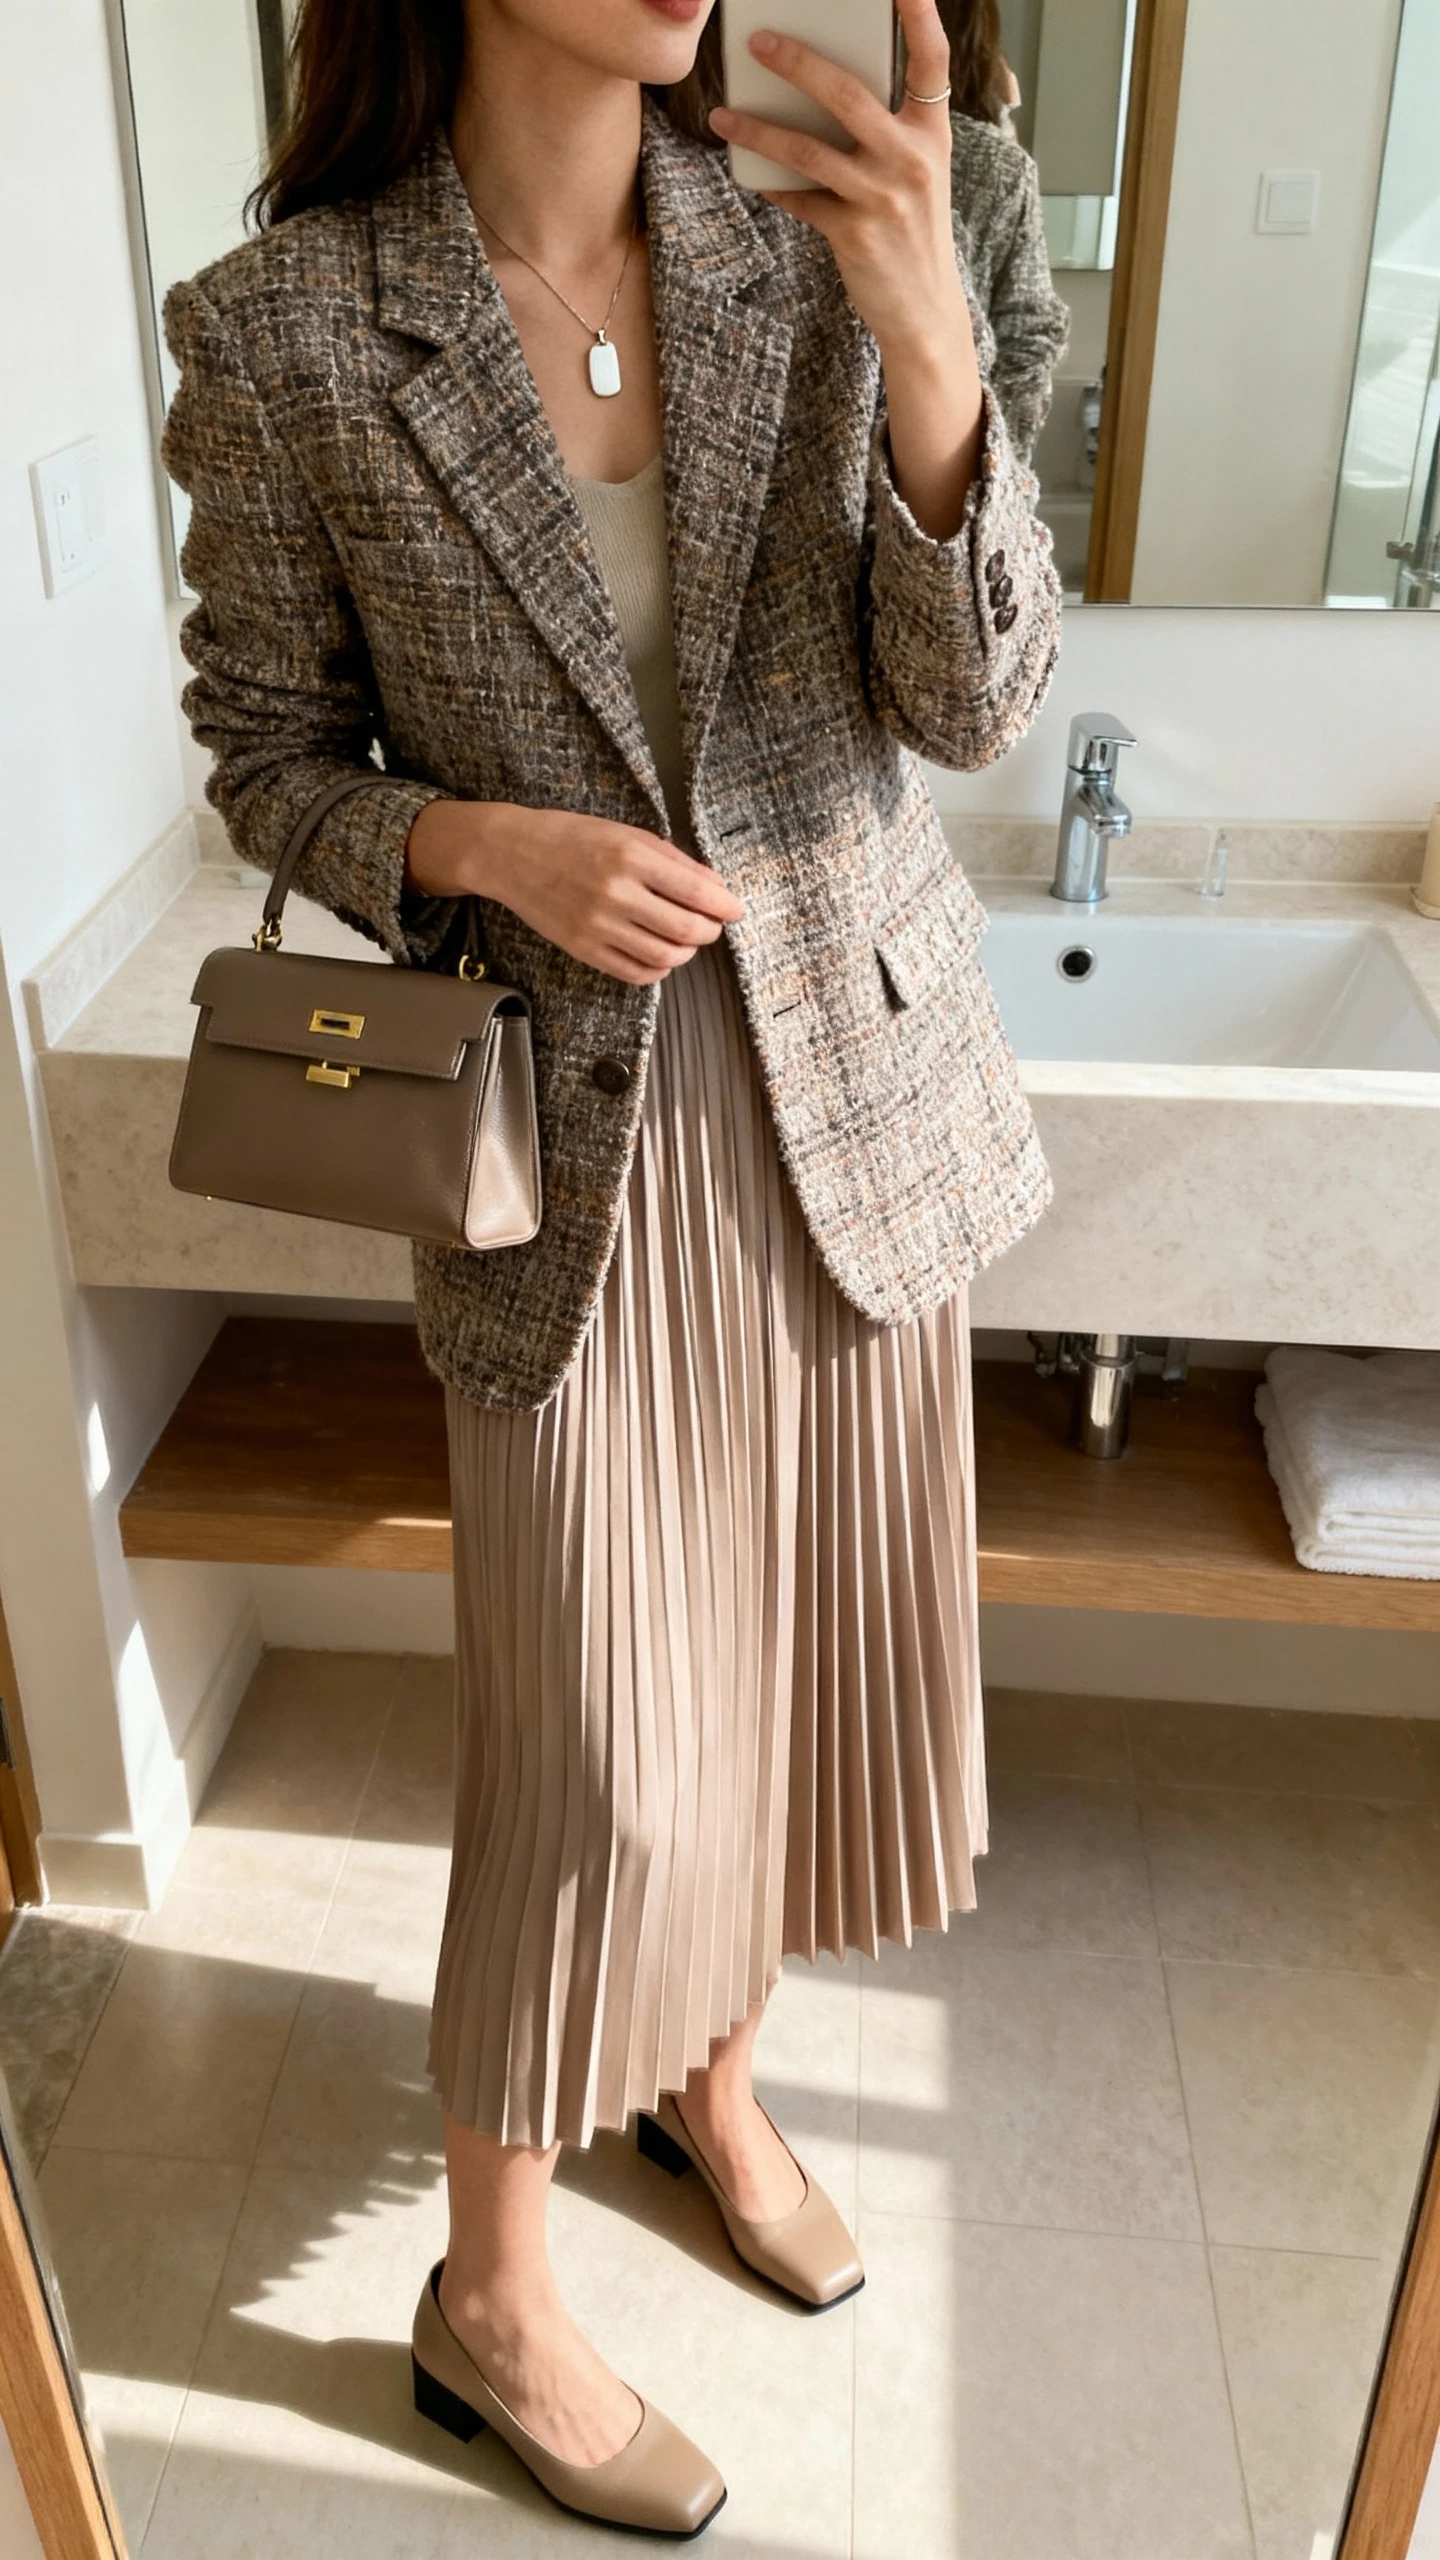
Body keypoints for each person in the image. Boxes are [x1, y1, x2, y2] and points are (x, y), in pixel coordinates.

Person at [162, 0, 1059, 2537]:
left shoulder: (840, 234)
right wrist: (480, 846)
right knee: (590, 1754)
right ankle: (486, 2292)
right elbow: (264, 747)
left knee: (779, 1689)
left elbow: (967, 705)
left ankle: (714, 2072)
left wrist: (926, 346)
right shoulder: (293, 328)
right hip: (562, 1162)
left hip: (846, 1116)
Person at [938, 0, 1071, 463]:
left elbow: (1027, 339)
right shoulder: (995, 165)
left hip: (955, 472)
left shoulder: (992, 166)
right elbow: (1027, 341)